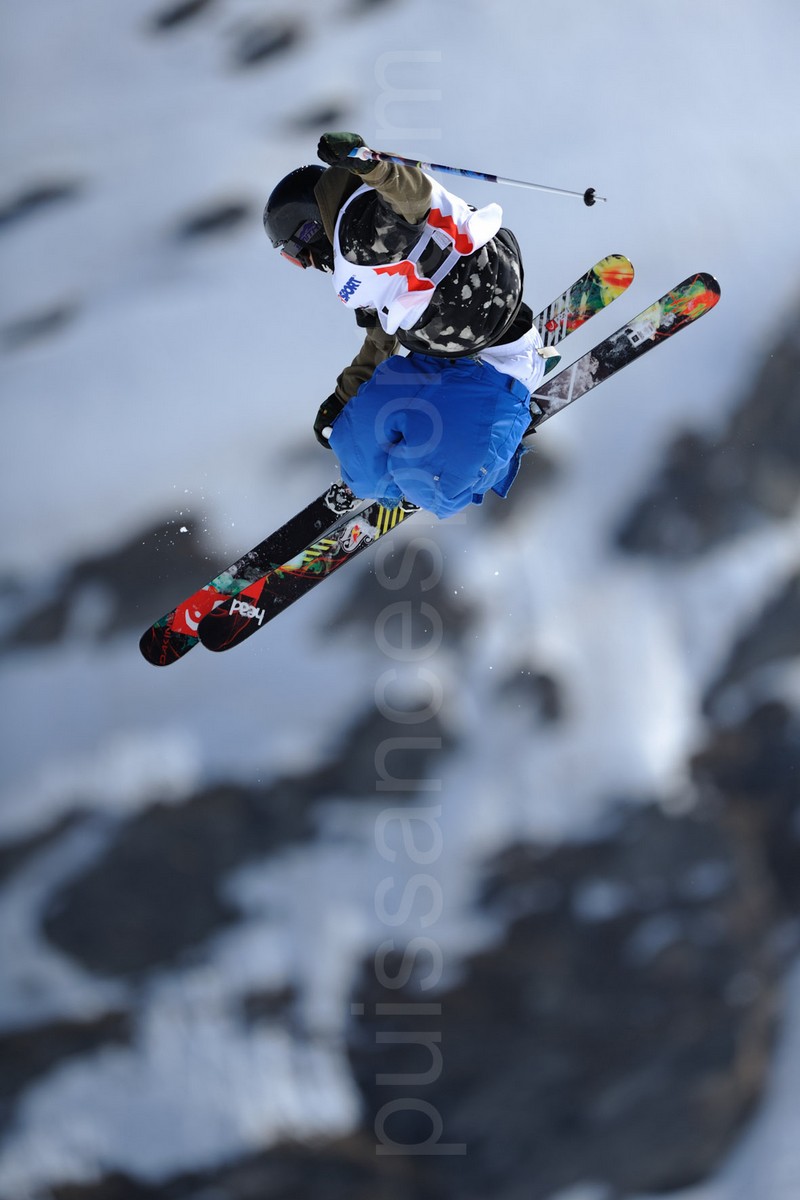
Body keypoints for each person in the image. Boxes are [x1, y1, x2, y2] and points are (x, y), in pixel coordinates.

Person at [263, 133, 557, 518]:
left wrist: (373, 166)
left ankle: (491, 436)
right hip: (441, 353)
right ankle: (393, 483)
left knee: (437, 482)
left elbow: (412, 199)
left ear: (309, 230)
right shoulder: (361, 254)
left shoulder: (361, 232)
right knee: (354, 446)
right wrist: (344, 397)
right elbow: (380, 333)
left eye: (296, 255)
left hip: (490, 359)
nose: (307, 264)